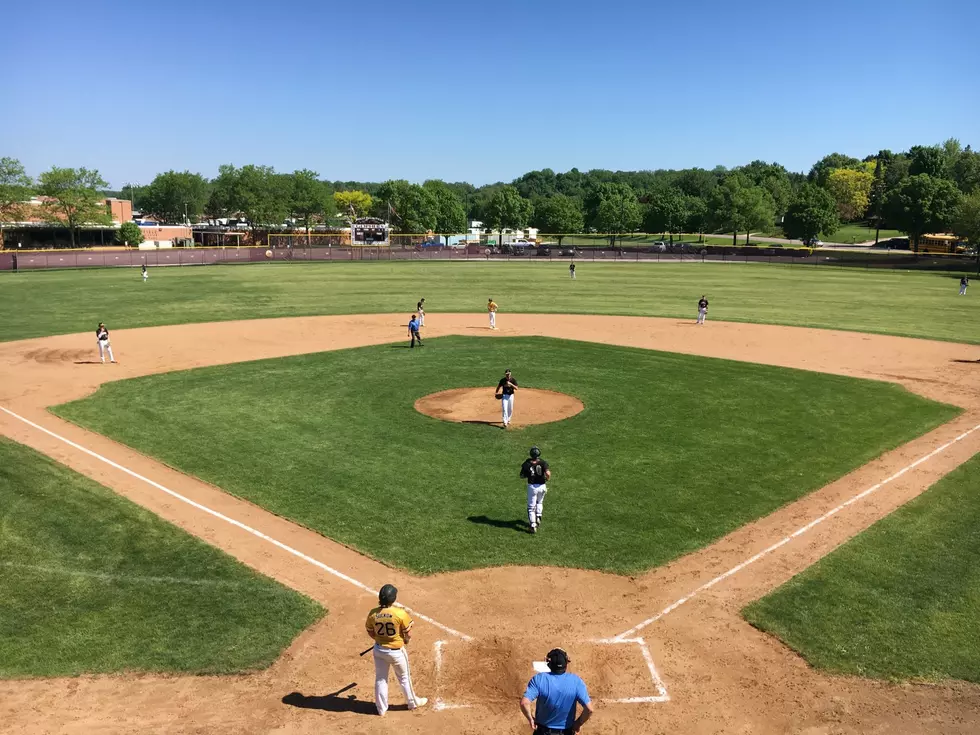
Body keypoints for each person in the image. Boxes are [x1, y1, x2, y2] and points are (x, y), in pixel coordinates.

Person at [365, 584, 427, 716]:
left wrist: (380, 639)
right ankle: (412, 703)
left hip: (379, 650)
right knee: (404, 678)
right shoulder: (400, 613)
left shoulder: (373, 613)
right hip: (396, 652)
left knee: (381, 679)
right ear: (393, 598)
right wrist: (406, 640)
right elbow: (408, 633)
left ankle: (381, 709)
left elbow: (370, 632)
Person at [520, 648, 593, 734]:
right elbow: (589, 709)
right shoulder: (576, 681)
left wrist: (531, 719)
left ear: (549, 664)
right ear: (566, 664)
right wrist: (578, 723)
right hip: (566, 732)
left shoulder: (539, 679)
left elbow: (524, 703)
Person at [520, 446, 551, 534]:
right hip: (542, 486)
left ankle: (533, 525)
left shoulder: (527, 463)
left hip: (532, 487)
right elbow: (548, 473)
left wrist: (529, 474)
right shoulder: (543, 462)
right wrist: (547, 479)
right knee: (539, 502)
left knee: (531, 507)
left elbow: (522, 475)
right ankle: (538, 516)